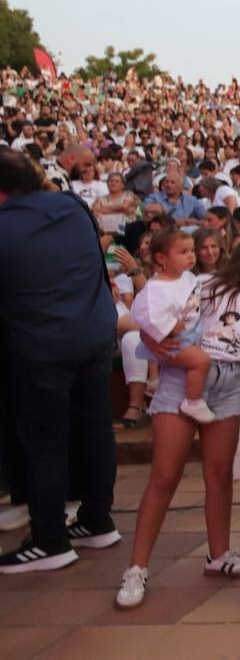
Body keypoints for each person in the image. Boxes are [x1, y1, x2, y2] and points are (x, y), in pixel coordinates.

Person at [117, 237, 240, 607]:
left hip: (228, 384)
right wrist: (148, 337)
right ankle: (136, 568)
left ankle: (219, 555)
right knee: (164, 476)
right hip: (183, 380)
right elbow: (153, 314)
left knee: (220, 474)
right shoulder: (205, 285)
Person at [0, 149, 120, 573]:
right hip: (93, 334)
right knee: (95, 429)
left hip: (41, 346)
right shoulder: (72, 206)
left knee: (44, 443)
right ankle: (96, 520)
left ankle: (50, 539)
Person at [130, 229, 216, 424]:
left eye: (192, 250)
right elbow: (142, 311)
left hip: (190, 333)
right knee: (201, 361)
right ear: (162, 258)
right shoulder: (156, 287)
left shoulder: (187, 277)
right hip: (174, 341)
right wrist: (168, 327)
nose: (191, 256)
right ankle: (192, 402)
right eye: (183, 252)